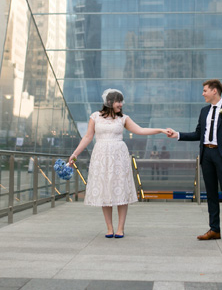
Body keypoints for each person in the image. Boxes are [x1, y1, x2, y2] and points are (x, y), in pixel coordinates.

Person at [68, 89, 168, 238]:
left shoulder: (123, 119)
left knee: (120, 189)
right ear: (109, 102)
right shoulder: (95, 117)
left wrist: (160, 130)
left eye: (121, 101)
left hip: (118, 157)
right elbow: (88, 137)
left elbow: (140, 130)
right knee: (105, 190)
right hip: (101, 156)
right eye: (118, 101)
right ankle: (109, 228)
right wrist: (75, 154)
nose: (121, 104)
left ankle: (120, 228)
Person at [166, 79, 222, 242]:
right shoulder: (204, 111)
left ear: (214, 91)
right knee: (210, 194)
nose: (203, 94)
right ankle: (214, 229)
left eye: (205, 90)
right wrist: (177, 134)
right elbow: (197, 134)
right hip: (206, 155)